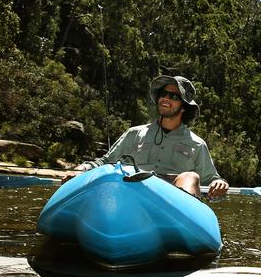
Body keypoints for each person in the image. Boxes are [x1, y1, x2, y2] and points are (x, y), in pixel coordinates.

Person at [64, 75, 229, 199]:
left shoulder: (197, 144)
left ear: (184, 107)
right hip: (133, 196)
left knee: (190, 176)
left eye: (173, 96)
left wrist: (220, 184)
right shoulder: (134, 133)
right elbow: (105, 162)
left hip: (174, 202)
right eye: (163, 94)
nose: (165, 98)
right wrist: (82, 169)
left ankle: (178, 227)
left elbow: (211, 181)